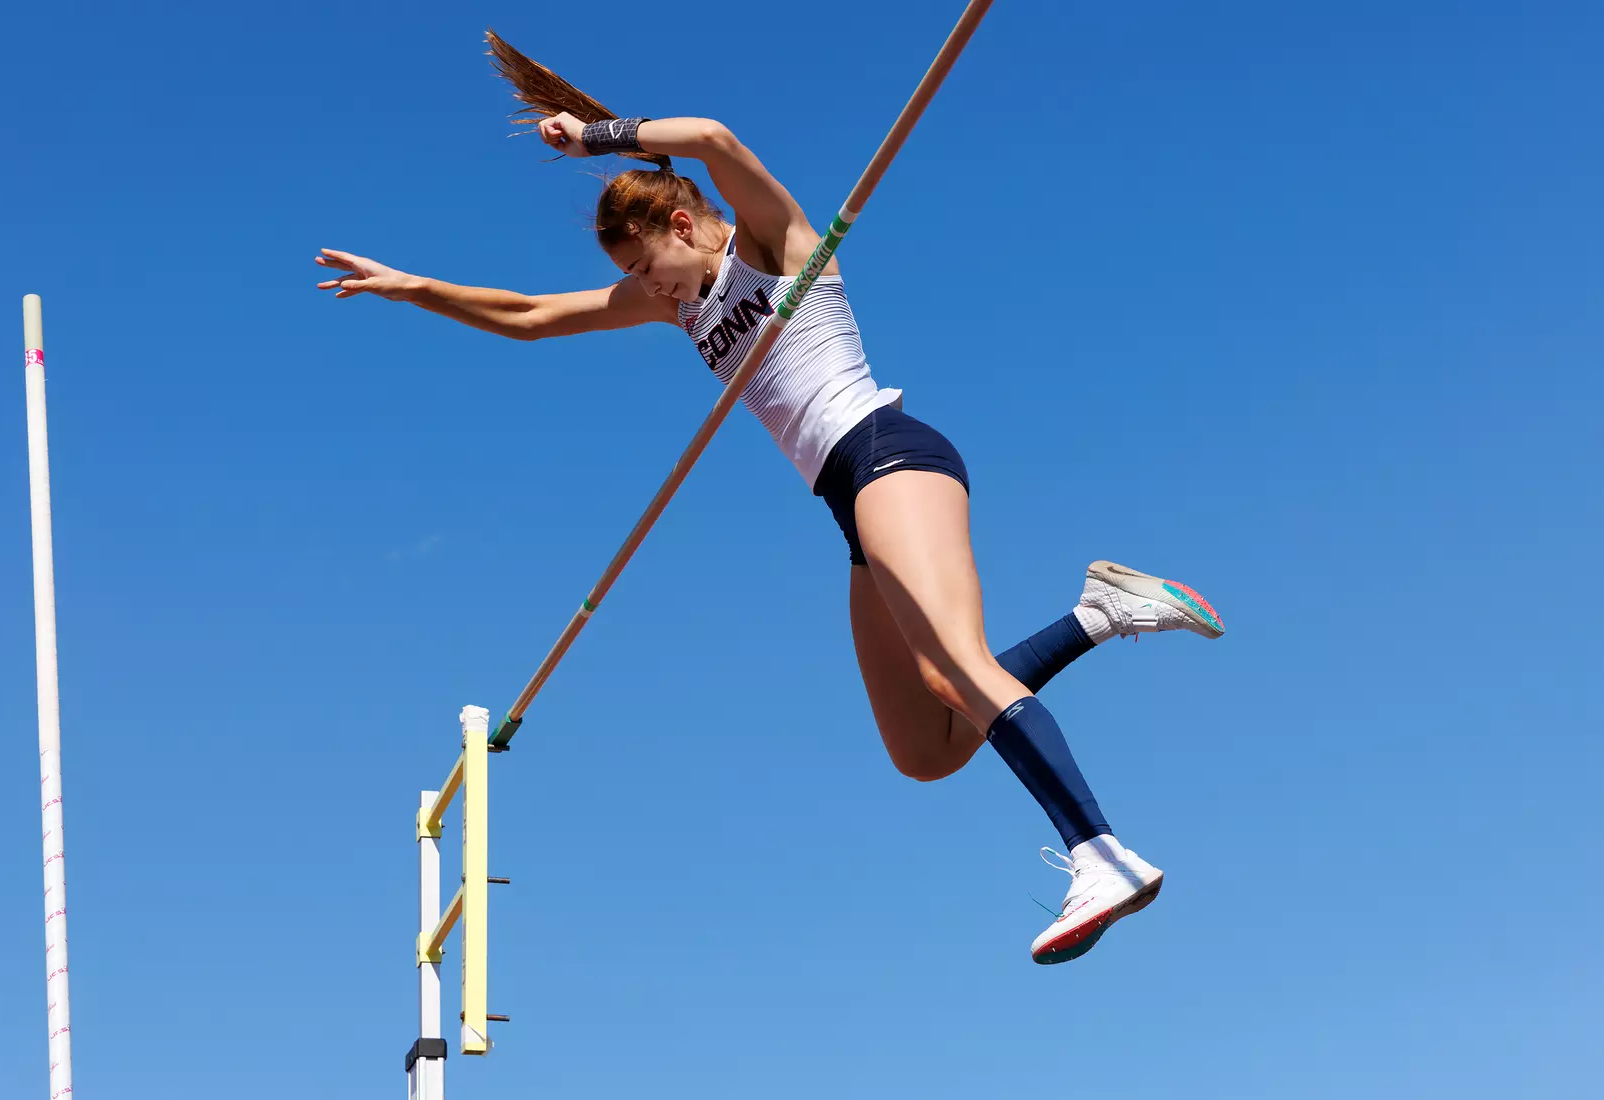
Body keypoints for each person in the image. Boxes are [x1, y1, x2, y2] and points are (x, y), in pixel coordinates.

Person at [314, 36, 1225, 965]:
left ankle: (1100, 853)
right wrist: (412, 287)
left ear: (681, 225)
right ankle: (1098, 613)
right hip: (848, 501)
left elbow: (713, 137)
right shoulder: (676, 303)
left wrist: (596, 137)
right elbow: (533, 318)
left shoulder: (772, 247)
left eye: (646, 267)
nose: (644, 290)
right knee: (926, 748)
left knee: (955, 664)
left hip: (888, 453)